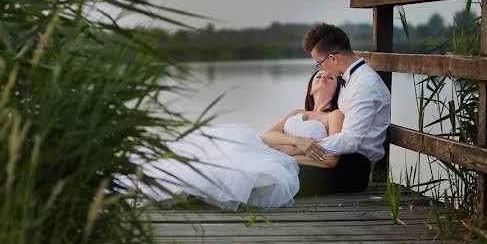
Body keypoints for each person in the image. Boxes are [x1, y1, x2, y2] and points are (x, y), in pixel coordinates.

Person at [121, 69, 344, 210]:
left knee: (231, 166)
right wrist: (297, 142)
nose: (323, 76)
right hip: (266, 149)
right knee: (218, 144)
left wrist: (287, 156)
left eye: (330, 76)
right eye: (318, 75)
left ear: (336, 88)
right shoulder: (296, 112)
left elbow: (331, 160)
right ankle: (160, 178)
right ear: (311, 88)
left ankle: (180, 187)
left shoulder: (333, 116)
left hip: (277, 158)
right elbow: (266, 135)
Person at [297, 22, 392, 195]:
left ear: (333, 58)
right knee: (276, 167)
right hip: (335, 159)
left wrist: (298, 148)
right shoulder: (349, 79)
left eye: (319, 64)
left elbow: (350, 141)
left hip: (352, 168)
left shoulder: (365, 85)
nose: (321, 69)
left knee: (281, 174)